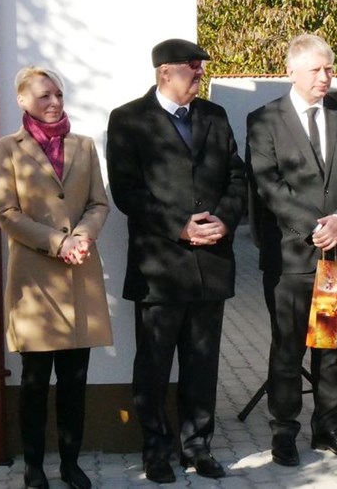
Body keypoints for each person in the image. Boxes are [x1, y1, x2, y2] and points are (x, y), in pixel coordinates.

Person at [106, 39, 247, 484]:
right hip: (160, 270)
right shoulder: (129, 119)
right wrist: (179, 227)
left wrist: (225, 220)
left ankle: (198, 446)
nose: (200, 72)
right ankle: (156, 450)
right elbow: (126, 191)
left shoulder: (215, 115)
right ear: (165, 72)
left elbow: (237, 176)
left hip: (211, 265)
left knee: (202, 364)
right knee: (153, 366)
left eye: (201, 66)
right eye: (192, 66)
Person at [245, 33, 337, 467]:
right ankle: (284, 431)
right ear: (292, 72)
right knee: (288, 348)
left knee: (332, 345)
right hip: (292, 257)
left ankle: (328, 427)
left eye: (329, 69)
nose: (325, 77)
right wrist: (314, 227)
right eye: (316, 70)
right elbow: (268, 184)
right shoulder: (264, 120)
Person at [0, 66, 112, 489]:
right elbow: (7, 213)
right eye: (44, 95)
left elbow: (99, 202)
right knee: (35, 381)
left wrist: (82, 236)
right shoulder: (6, 148)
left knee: (75, 380)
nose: (54, 102)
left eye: (58, 94)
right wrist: (59, 243)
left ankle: (70, 463)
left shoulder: (83, 145)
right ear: (23, 101)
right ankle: (33, 466)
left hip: (80, 274)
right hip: (35, 282)